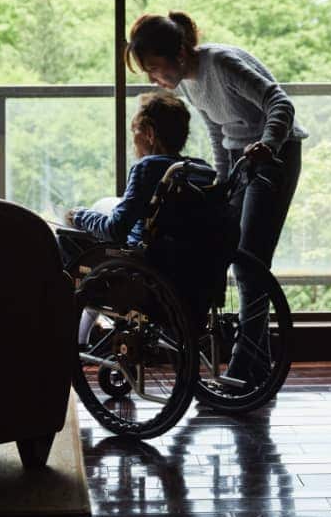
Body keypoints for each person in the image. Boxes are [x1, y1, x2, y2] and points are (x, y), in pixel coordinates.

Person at [124, 11, 306, 382]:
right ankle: (256, 362)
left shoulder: (220, 63)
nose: (153, 79)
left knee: (249, 261)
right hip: (242, 158)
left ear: (175, 54)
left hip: (275, 154)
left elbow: (280, 103)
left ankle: (245, 363)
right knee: (224, 248)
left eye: (153, 68)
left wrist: (268, 145)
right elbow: (220, 134)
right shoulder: (188, 84)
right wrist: (221, 186)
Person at [57, 90, 218, 338]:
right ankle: (83, 335)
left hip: (143, 273)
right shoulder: (197, 170)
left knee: (64, 239)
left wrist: (78, 216)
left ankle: (72, 334)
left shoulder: (148, 168)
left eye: (135, 134)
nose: (134, 143)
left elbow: (116, 228)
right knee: (105, 206)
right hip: (187, 273)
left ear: (150, 134)